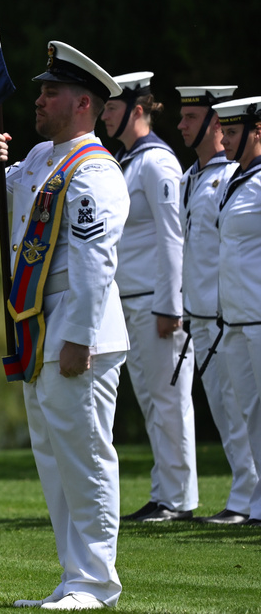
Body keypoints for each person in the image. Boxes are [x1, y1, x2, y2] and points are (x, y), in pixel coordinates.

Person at [0, 41, 129, 610]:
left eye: (50, 92)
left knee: (84, 455)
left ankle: (94, 581)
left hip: (74, 329)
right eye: (40, 90)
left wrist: (79, 338)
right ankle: (72, 574)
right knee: (54, 459)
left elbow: (95, 262)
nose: (38, 100)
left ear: (83, 103)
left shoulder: (96, 171)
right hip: (36, 324)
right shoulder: (38, 158)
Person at [100, 73, 197, 522]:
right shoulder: (129, 161)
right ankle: (166, 493)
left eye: (112, 108)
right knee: (151, 400)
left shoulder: (157, 163)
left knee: (167, 399)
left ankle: (176, 498)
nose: (104, 116)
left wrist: (170, 305)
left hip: (153, 303)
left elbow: (173, 237)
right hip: (130, 300)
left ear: (138, 109)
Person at [175, 85, 256, 524]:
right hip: (203, 313)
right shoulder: (192, 177)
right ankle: (244, 494)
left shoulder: (231, 176)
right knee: (227, 410)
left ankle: (247, 499)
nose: (182, 125)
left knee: (241, 406)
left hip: (229, 312)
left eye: (191, 118)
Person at [214, 96, 261, 527]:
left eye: (230, 132)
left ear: (256, 133)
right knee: (250, 413)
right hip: (237, 318)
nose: (223, 139)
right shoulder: (236, 180)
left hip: (259, 318)